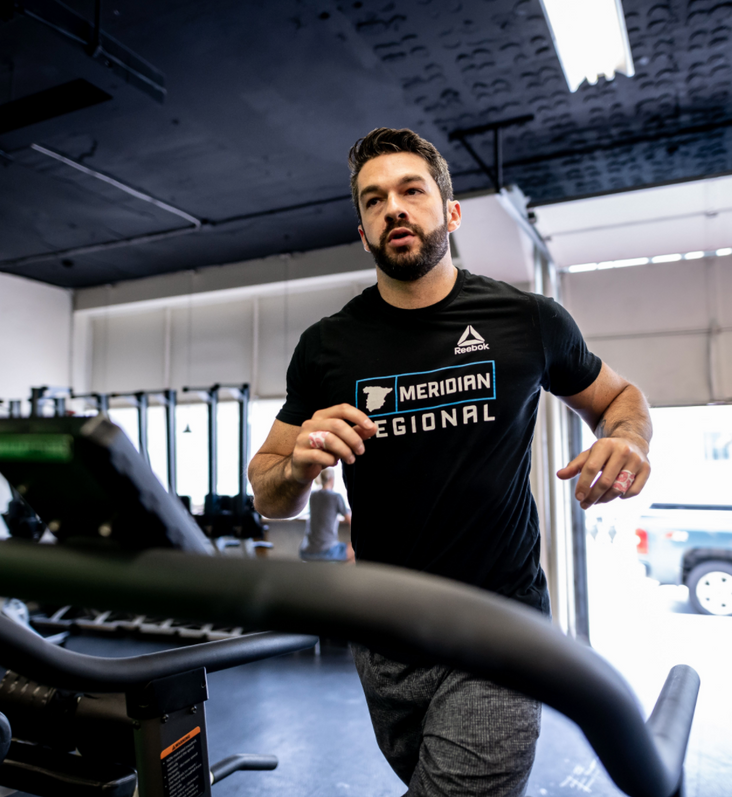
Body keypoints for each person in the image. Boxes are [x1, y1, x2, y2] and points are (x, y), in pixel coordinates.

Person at [247, 128, 651, 797]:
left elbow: (620, 398)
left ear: (451, 212)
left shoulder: (527, 320)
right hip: (384, 632)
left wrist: (629, 440)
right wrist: (298, 461)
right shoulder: (327, 347)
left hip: (501, 624)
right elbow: (267, 492)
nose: (394, 209)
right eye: (375, 200)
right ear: (363, 229)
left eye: (412, 191)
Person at [299, 468, 354, 562]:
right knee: (355, 550)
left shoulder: (312, 496)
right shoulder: (336, 497)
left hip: (306, 550)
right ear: (332, 479)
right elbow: (351, 522)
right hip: (327, 551)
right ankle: (335, 574)